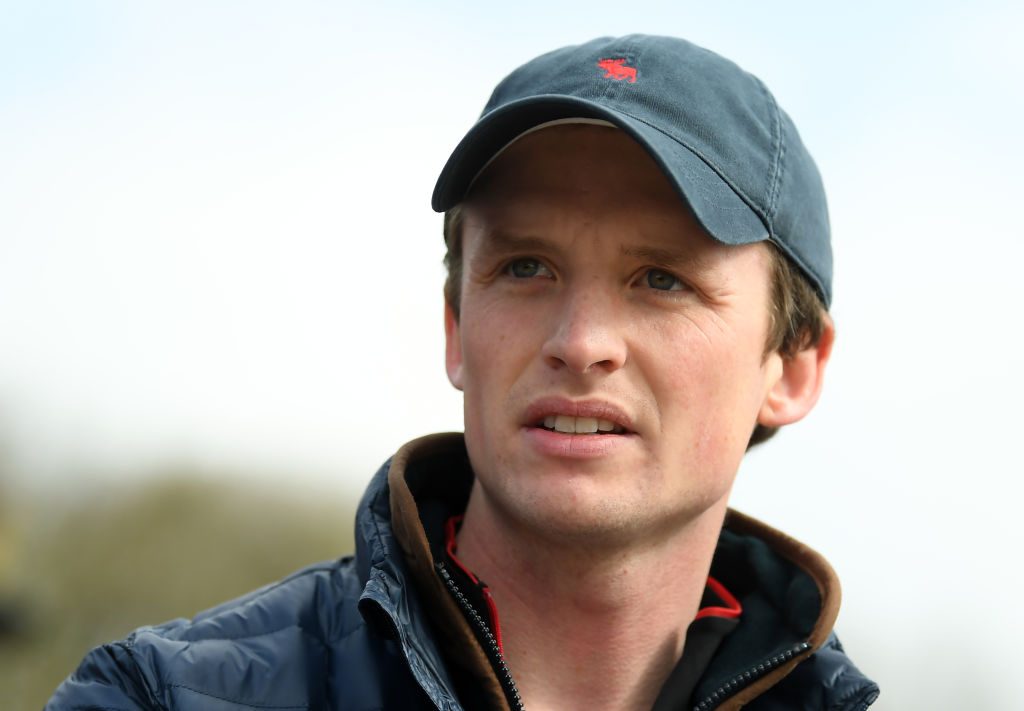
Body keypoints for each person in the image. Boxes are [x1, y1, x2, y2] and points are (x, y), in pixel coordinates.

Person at [48, 35, 879, 710]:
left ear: (795, 367)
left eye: (662, 279)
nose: (581, 340)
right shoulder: (161, 697)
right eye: (524, 267)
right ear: (456, 327)